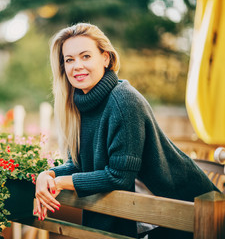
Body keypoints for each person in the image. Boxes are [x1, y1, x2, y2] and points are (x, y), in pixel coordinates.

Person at [35, 22, 219, 238]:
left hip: (191, 215)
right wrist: (46, 175)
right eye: (69, 59)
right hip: (142, 214)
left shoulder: (124, 101)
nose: (77, 66)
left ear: (106, 58)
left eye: (86, 56)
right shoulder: (81, 105)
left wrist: (58, 183)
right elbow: (79, 165)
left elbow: (118, 177)